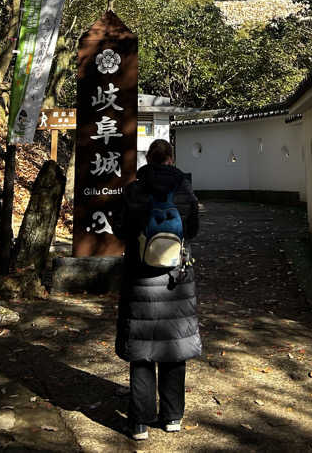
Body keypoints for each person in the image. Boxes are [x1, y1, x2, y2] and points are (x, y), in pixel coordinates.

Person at [114, 138, 201, 440]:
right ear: (170, 159)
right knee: (174, 348)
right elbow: (193, 231)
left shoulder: (133, 190)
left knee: (142, 352)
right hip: (176, 280)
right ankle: (172, 417)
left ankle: (139, 423)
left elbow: (120, 229)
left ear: (148, 159)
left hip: (140, 278)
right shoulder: (184, 189)